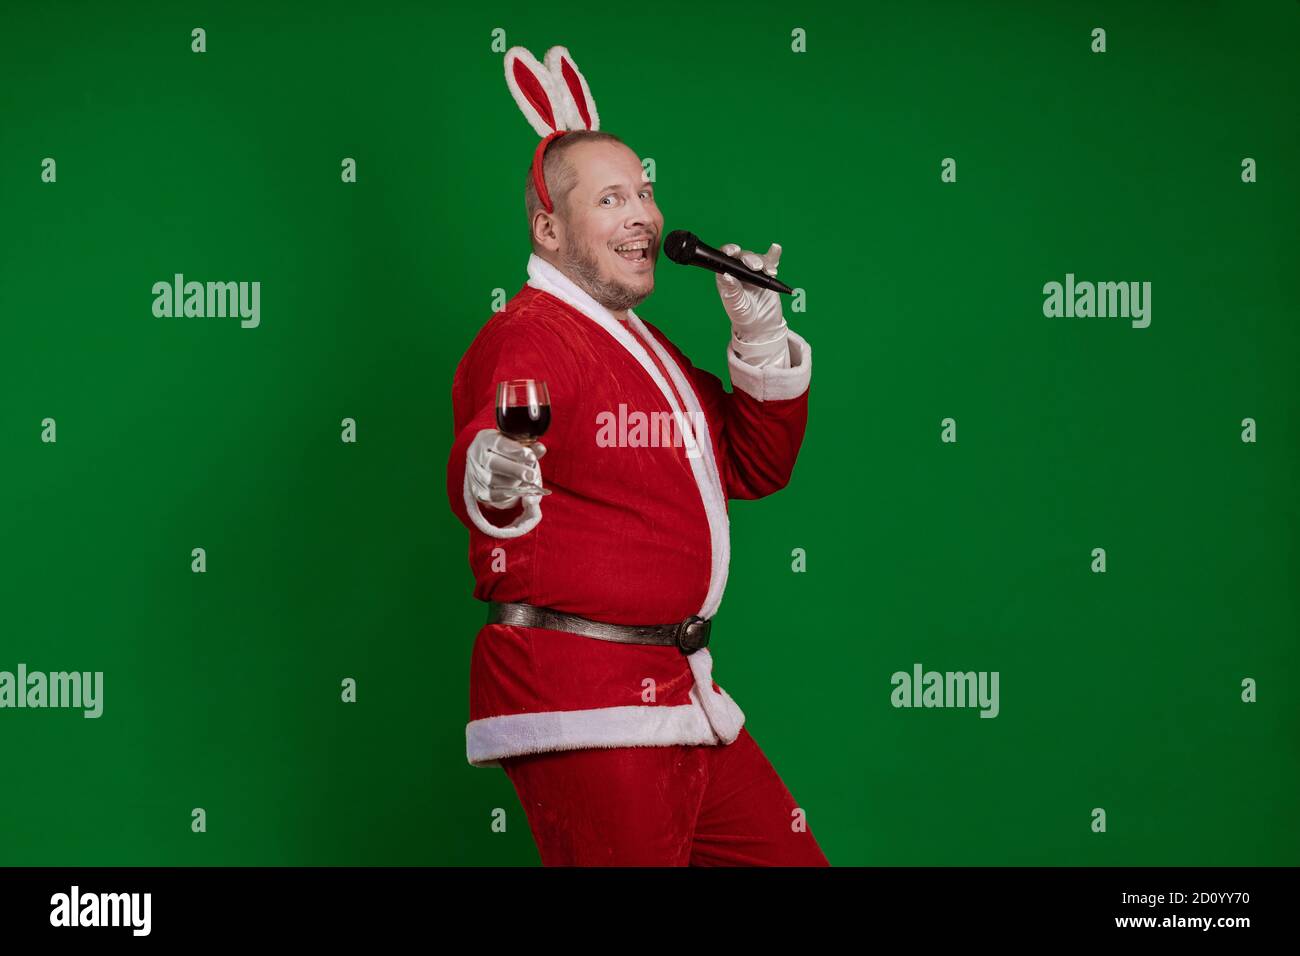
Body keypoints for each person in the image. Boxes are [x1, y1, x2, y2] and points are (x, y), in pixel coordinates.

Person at [446, 45, 826, 866]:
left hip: (685, 696)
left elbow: (755, 468)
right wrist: (491, 473)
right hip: (586, 703)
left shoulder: (647, 349)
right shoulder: (529, 336)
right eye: (611, 198)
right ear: (549, 228)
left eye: (645, 192)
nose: (644, 215)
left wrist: (756, 336)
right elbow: (498, 444)